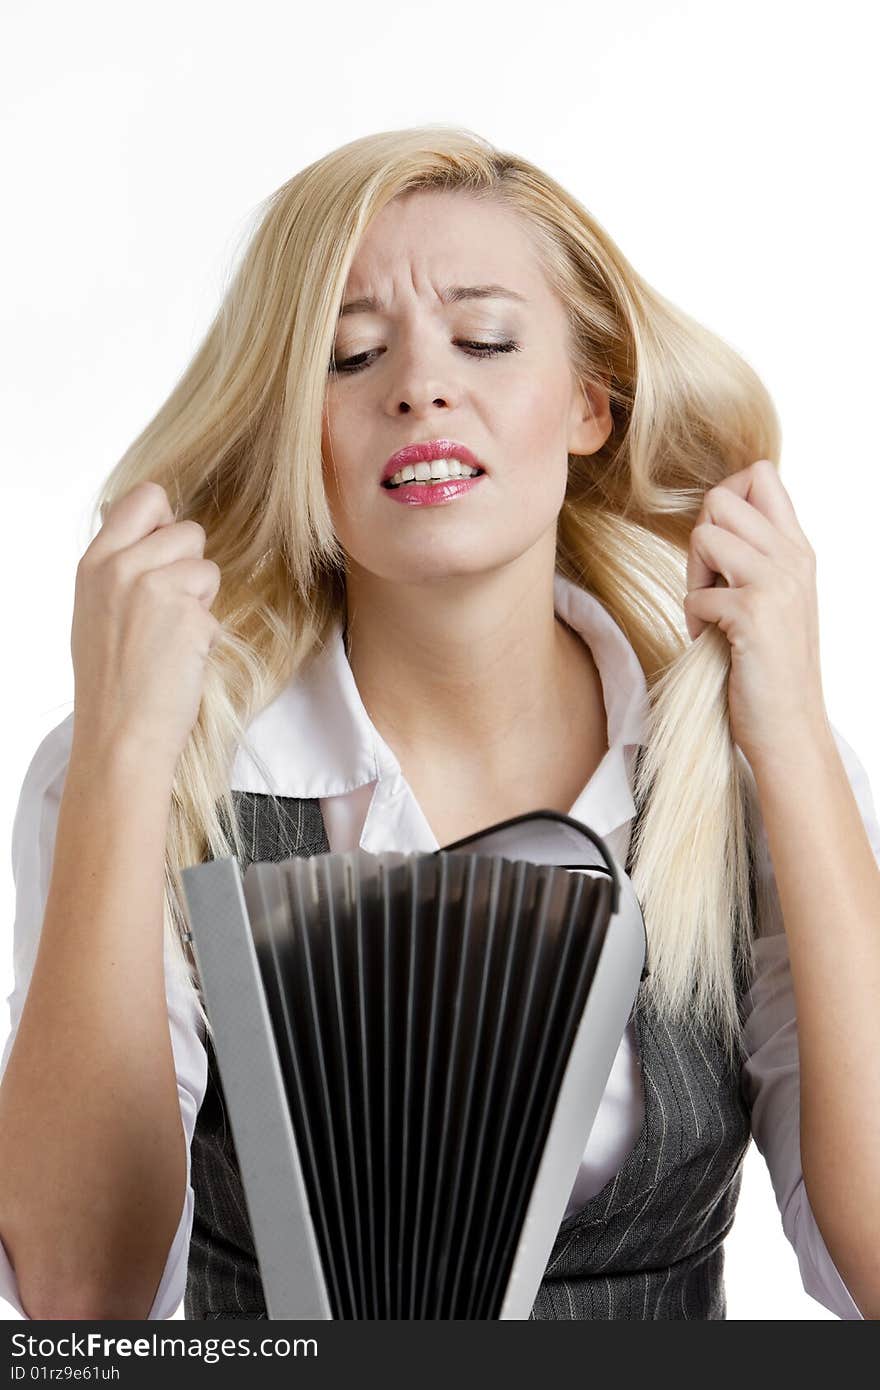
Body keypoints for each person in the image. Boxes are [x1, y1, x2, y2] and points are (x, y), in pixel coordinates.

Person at [1, 126, 878, 1321]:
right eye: (351, 354)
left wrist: (793, 745)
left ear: (588, 403)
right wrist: (119, 755)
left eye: (484, 338)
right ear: (289, 431)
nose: (420, 383)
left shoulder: (745, 774)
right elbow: (78, 1298)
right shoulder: (154, 766)